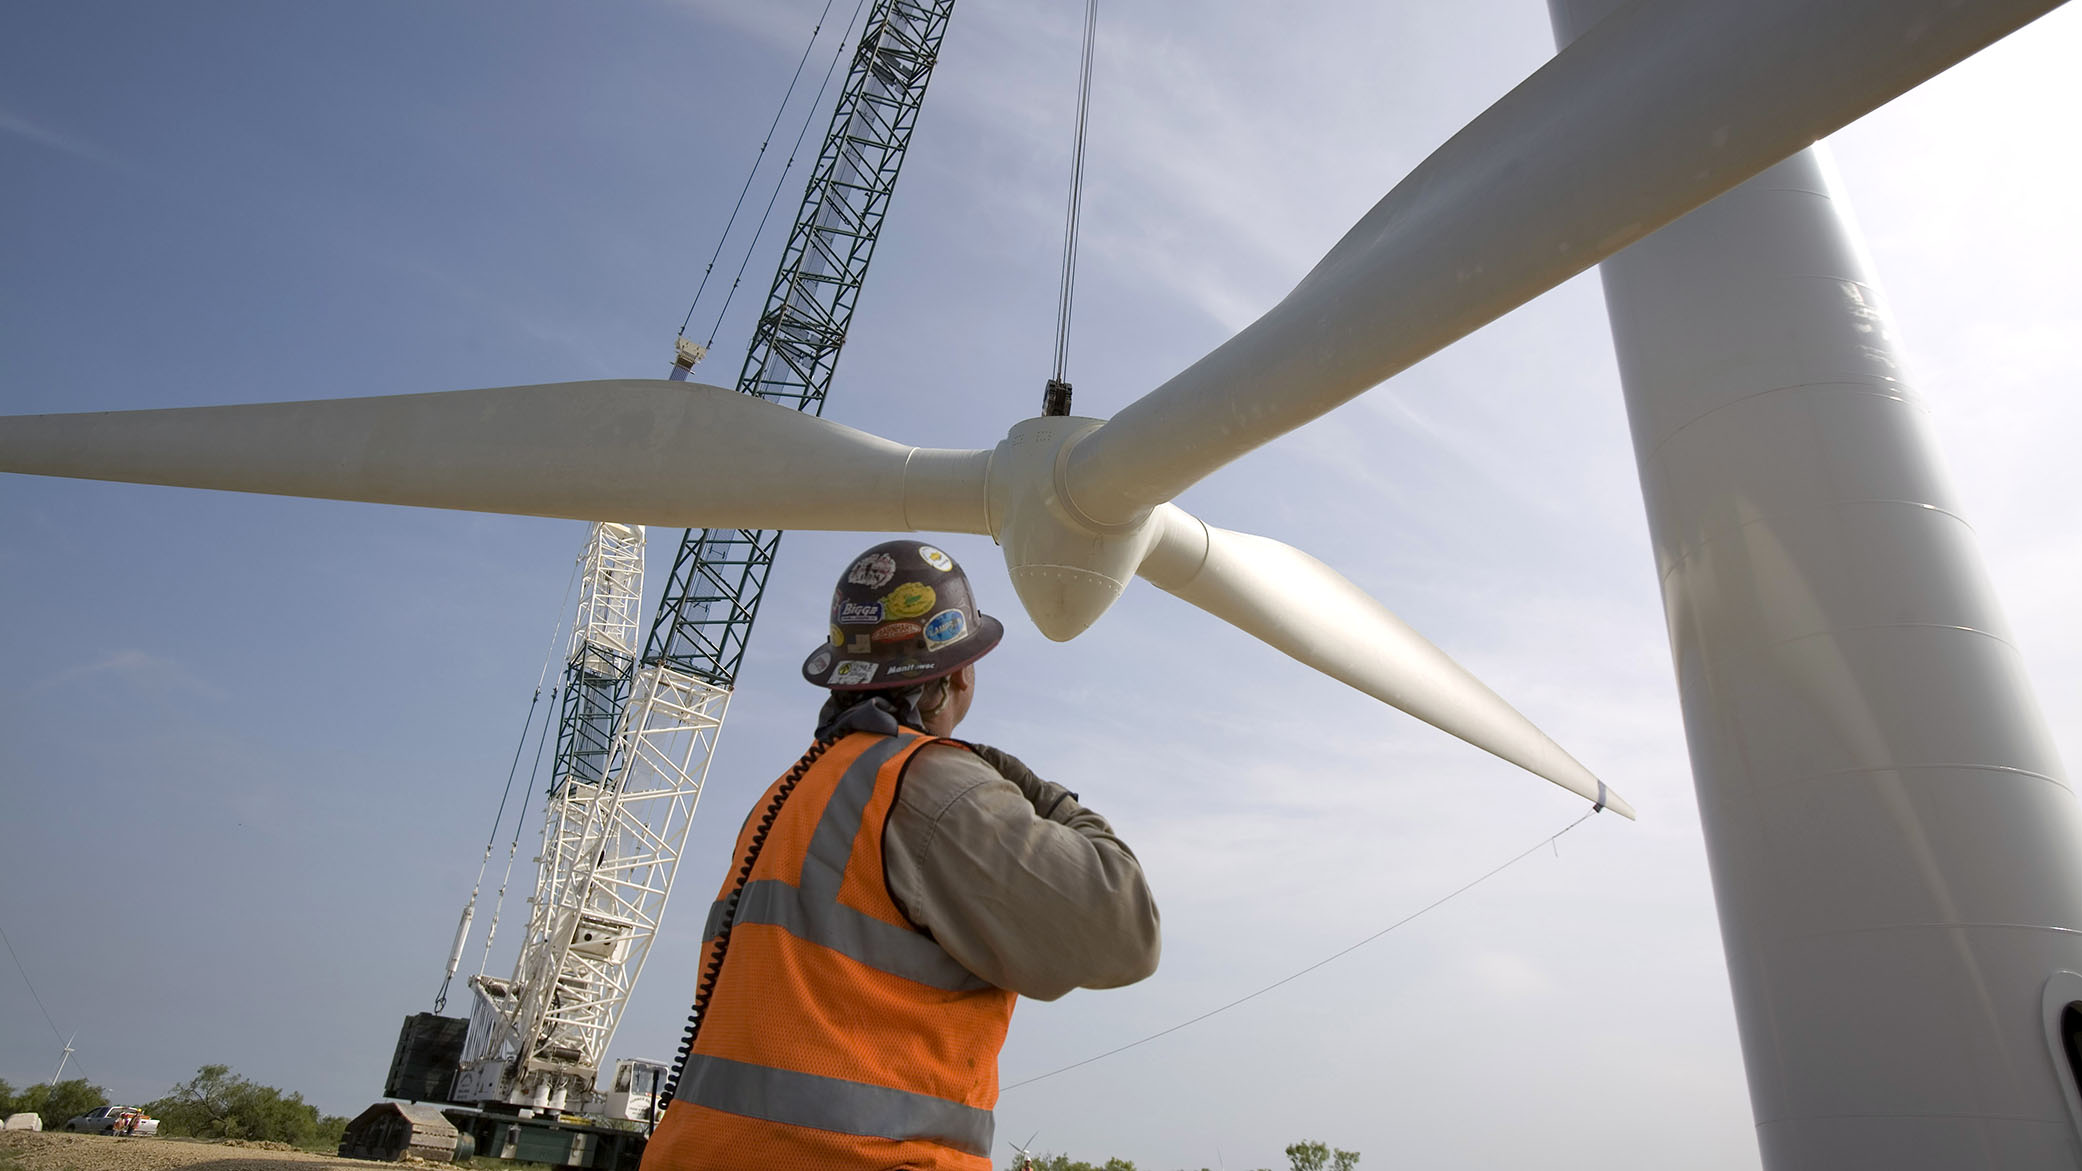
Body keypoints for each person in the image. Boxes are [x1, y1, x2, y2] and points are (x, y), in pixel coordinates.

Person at [641, 540, 1160, 1171]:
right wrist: (1045, 798)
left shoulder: (793, 791)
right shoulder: (933, 788)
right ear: (958, 674)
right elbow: (1124, 930)